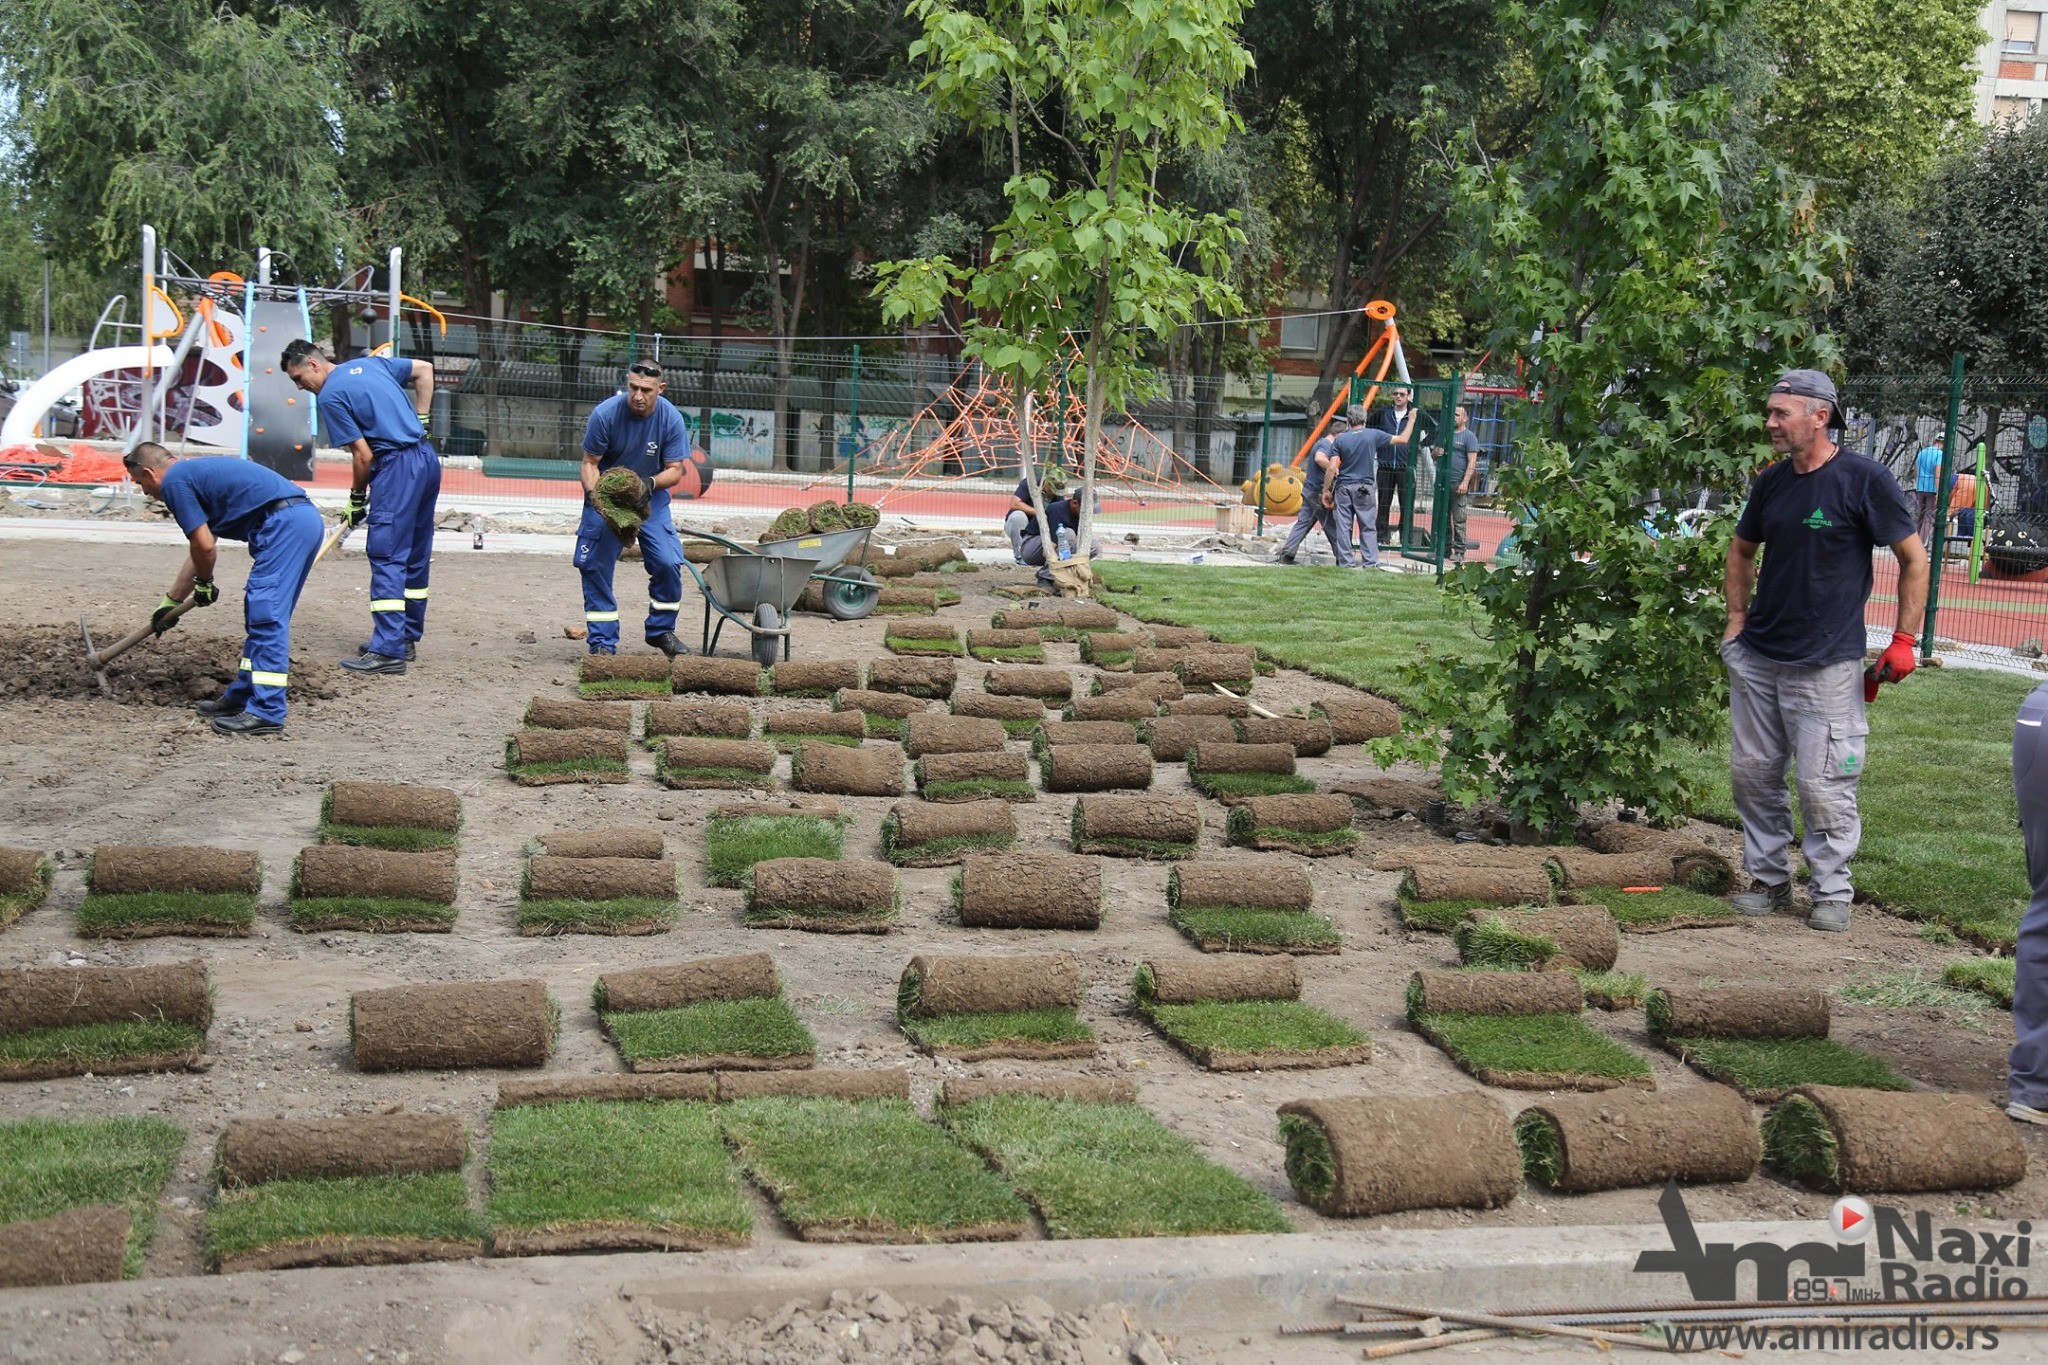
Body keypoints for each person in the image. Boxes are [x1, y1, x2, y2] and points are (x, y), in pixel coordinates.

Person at [1721, 370, 1927, 932]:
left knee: (1823, 782)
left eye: (1780, 413)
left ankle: (1832, 891)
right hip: (1760, 655)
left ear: (1820, 416)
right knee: (1753, 774)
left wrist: (1904, 640)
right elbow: (1741, 553)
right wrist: (1737, 621)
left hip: (1828, 661)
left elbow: (1914, 558)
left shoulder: (1864, 479)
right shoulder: (1771, 483)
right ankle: (1768, 881)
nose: (1770, 423)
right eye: (1770, 412)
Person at [122, 443, 324, 737]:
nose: (144, 491)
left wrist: (204, 582)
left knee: (266, 615)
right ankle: (241, 694)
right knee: (260, 614)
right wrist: (171, 601)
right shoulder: (193, 474)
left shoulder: (176, 482)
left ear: (149, 473)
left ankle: (267, 711)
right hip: (296, 521)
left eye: (140, 483)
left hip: (285, 525)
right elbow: (204, 543)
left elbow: (203, 546)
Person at [282, 340, 441, 675]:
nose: (299, 387)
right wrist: (423, 418)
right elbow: (425, 370)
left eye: (298, 378)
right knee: (414, 551)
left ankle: (387, 651)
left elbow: (363, 456)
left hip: (396, 467)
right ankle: (405, 638)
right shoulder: (372, 364)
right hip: (426, 459)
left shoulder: (330, 396)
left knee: (386, 553)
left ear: (313, 364)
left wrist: (356, 498)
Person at [574, 360, 696, 657]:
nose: (638, 395)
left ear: (660, 389)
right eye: (633, 388)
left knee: (668, 562)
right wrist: (595, 498)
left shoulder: (670, 418)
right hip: (607, 497)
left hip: (650, 497)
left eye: (646, 390)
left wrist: (649, 484)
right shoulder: (606, 414)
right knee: (595, 565)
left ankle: (660, 630)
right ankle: (602, 642)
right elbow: (590, 463)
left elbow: (676, 470)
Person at [1271, 414, 1352, 566]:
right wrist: (1333, 469)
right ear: (1338, 435)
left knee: (1303, 523)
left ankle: (1287, 554)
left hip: (1310, 490)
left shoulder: (1322, 442)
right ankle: (1343, 559)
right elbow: (1319, 458)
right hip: (1317, 493)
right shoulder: (1327, 445)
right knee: (1331, 525)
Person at [1333, 404, 1395, 570]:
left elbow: (1332, 467)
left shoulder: (1340, 438)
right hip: (1365, 486)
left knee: (1344, 526)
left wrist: (1326, 490)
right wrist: (1411, 420)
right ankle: (1370, 562)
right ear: (1365, 419)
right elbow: (1402, 439)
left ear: (1348, 420)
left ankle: (1346, 562)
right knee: (1367, 525)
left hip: (1344, 486)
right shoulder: (1373, 435)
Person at [1370, 386, 1419, 546]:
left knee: (1407, 504)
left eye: (1402, 394)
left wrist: (1420, 444)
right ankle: (1381, 536)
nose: (1398, 397)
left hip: (1406, 466)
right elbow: (1369, 426)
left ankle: (1406, 538)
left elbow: (1433, 428)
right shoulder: (1384, 413)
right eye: (1396, 394)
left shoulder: (1414, 415)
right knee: (1384, 502)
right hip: (1385, 464)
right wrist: (1377, 445)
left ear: (1408, 396)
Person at [1005, 466, 1068, 565]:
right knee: (1017, 517)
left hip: (1039, 531)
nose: (1056, 493)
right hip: (1020, 526)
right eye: (1053, 489)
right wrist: (1040, 513)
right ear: (1047, 483)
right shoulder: (1029, 483)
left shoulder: (1058, 496)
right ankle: (1020, 556)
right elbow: (1015, 504)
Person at [1447, 404, 1481, 563]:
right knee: (1442, 518)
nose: (1454, 417)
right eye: (1453, 414)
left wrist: (1465, 482)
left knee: (1459, 519)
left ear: (1465, 418)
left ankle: (1460, 551)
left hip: (1458, 483)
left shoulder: (1469, 437)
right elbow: (1434, 453)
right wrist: (1436, 453)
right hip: (1443, 483)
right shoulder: (1445, 433)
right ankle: (1443, 549)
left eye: (1457, 414)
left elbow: (1472, 462)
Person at [1913, 440, 1945, 548]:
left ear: (1935, 440)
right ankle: (1921, 545)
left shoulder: (1922, 452)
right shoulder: (1940, 454)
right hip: (1932, 489)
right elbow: (1938, 472)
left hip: (1920, 488)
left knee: (1920, 516)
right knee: (1929, 517)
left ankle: (1913, 542)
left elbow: (1915, 471)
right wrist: (1939, 491)